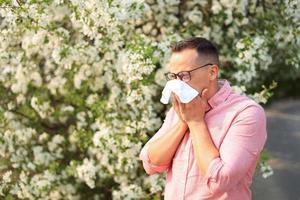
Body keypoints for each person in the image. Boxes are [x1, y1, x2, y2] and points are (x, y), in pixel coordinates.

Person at [139, 37, 267, 200]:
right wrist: (183, 122)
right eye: (173, 76)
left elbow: (220, 179)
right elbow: (151, 163)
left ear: (212, 72)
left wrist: (196, 122)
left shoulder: (245, 113)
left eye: (184, 76)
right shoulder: (181, 108)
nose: (177, 84)